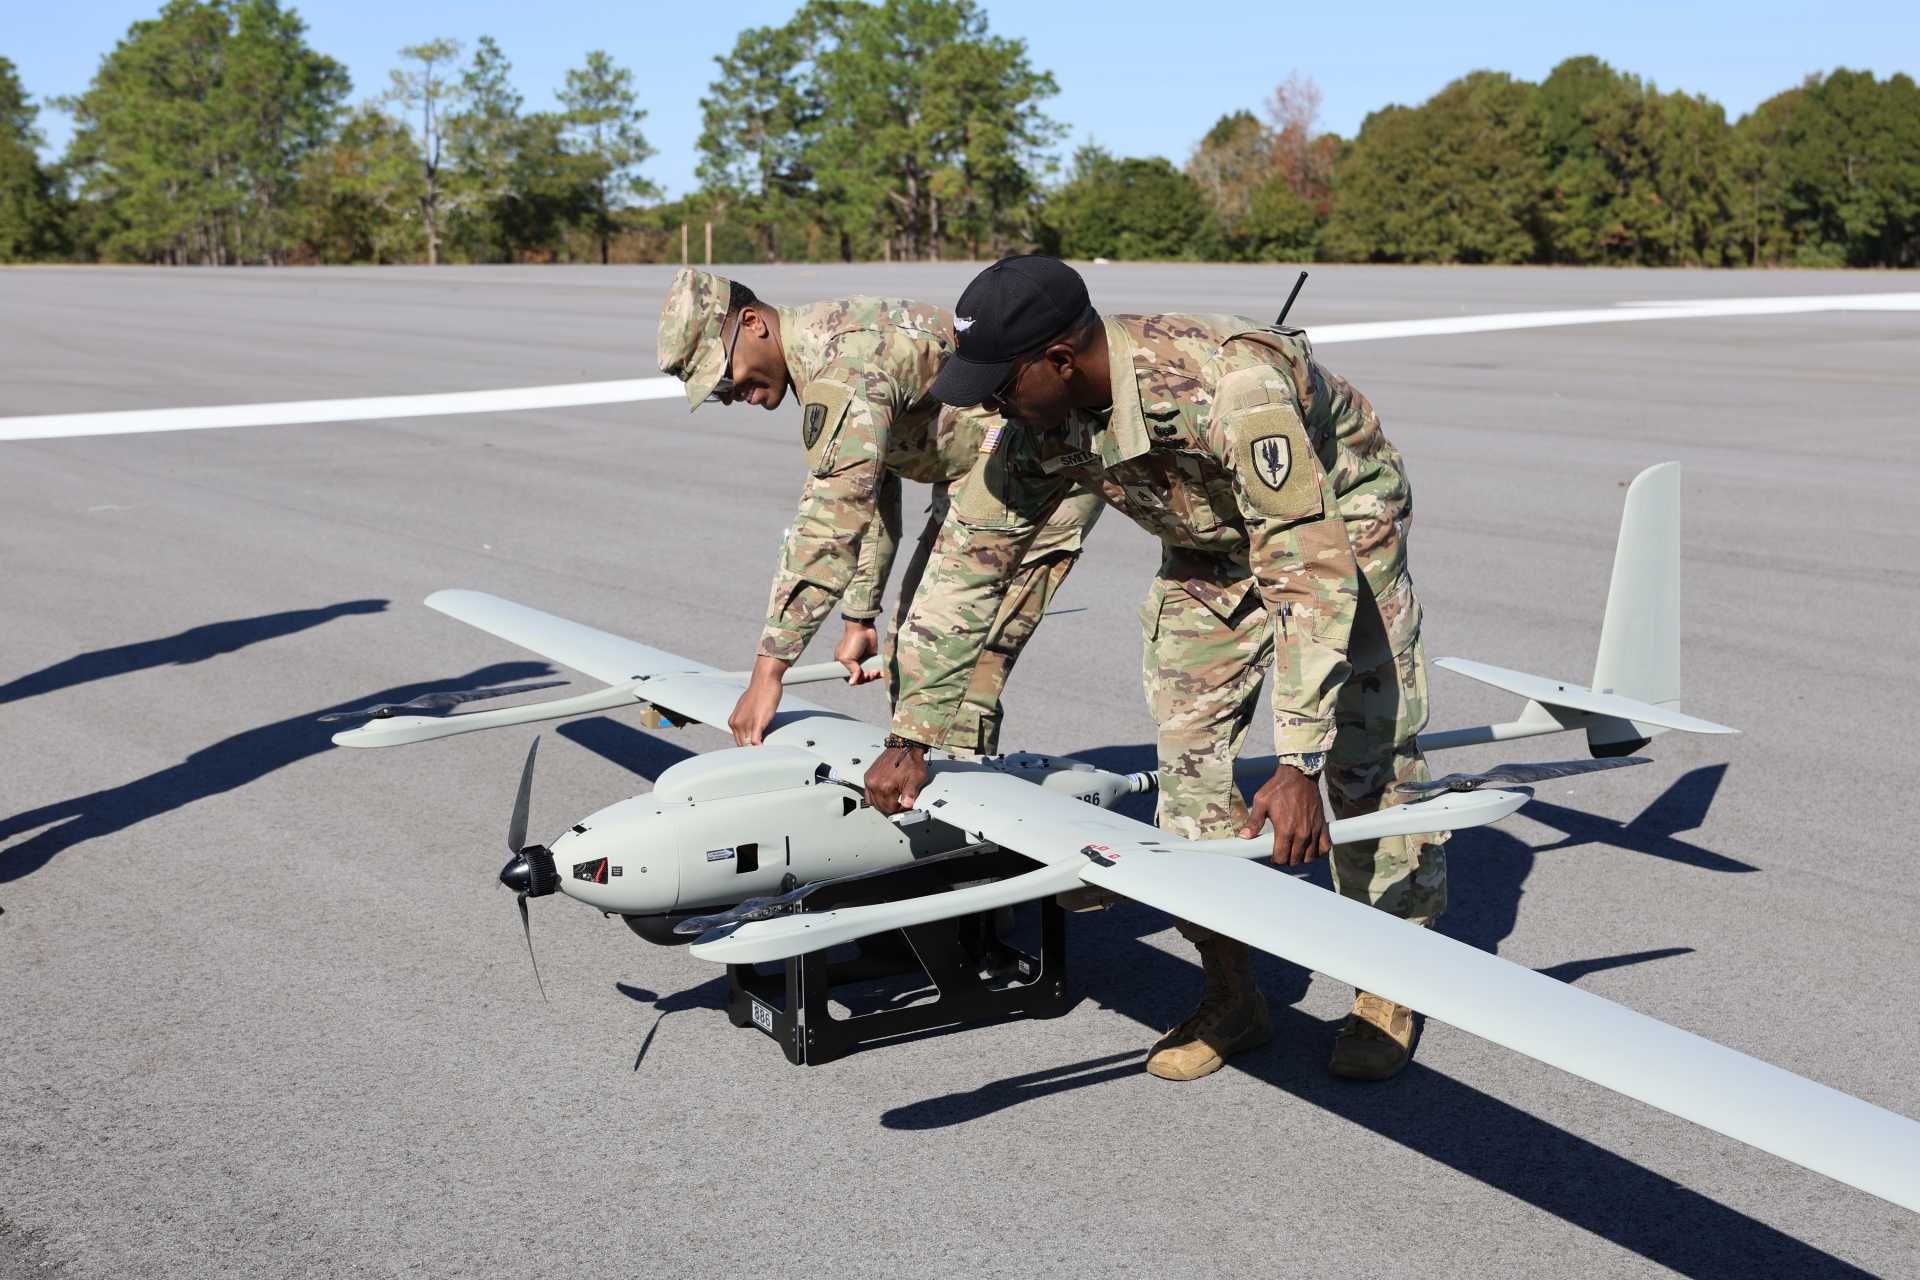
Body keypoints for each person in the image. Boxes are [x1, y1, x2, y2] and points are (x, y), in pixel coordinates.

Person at [862, 256, 1443, 1082]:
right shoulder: (1035, 421)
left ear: (1060, 361)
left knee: (1365, 755)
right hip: (1209, 544)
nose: (989, 403)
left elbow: (1305, 565)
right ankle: (1232, 993)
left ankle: (1390, 978)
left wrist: (1295, 760)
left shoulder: (1230, 390)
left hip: (1338, 529)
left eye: (999, 383)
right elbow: (968, 561)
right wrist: (913, 731)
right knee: (1189, 770)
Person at [655, 267, 1101, 753]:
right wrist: (859, 614)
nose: (729, 396)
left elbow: (830, 524)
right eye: (715, 393)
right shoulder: (820, 354)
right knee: (910, 659)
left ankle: (963, 806)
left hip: (1043, 470)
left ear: (753, 323)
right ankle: (930, 785)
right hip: (979, 476)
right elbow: (871, 483)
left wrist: (769, 673)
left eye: (724, 376)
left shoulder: (845, 366)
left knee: (954, 666)